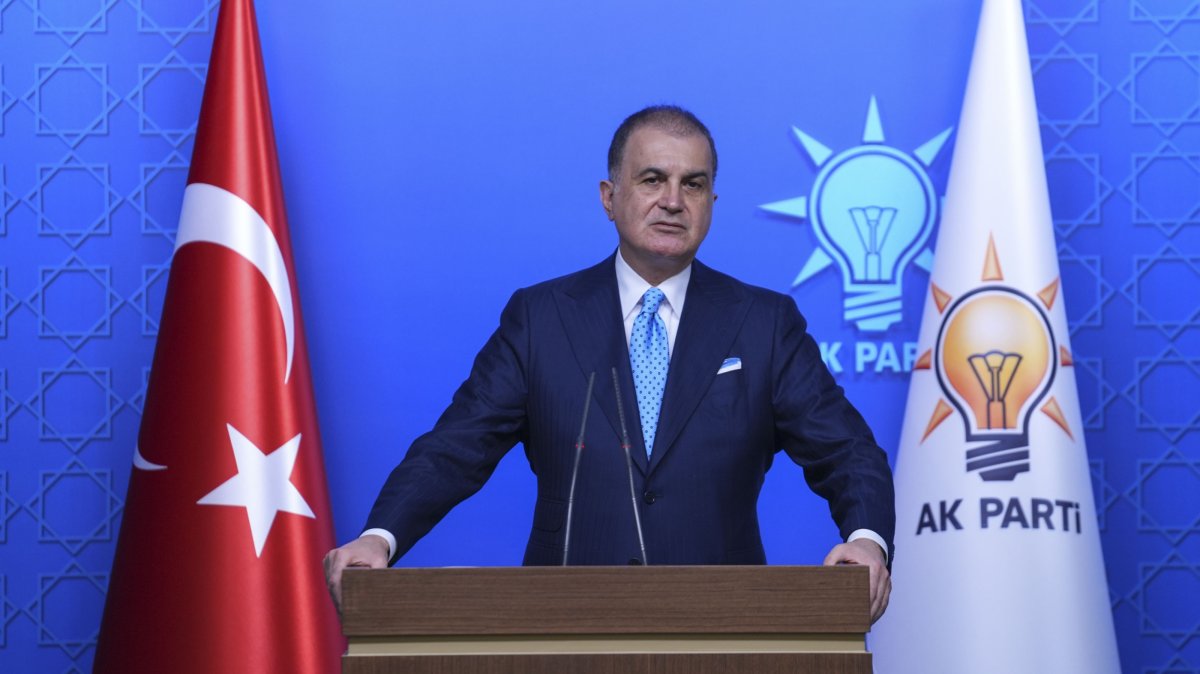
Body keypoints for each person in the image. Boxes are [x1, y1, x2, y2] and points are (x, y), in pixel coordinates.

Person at [324, 105, 895, 622]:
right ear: (608, 194)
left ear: (711, 204)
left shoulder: (765, 323)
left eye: (692, 184)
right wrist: (382, 536)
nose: (673, 200)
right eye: (652, 179)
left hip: (722, 625)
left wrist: (867, 539)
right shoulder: (541, 318)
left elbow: (845, 449)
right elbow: (457, 447)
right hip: (563, 625)